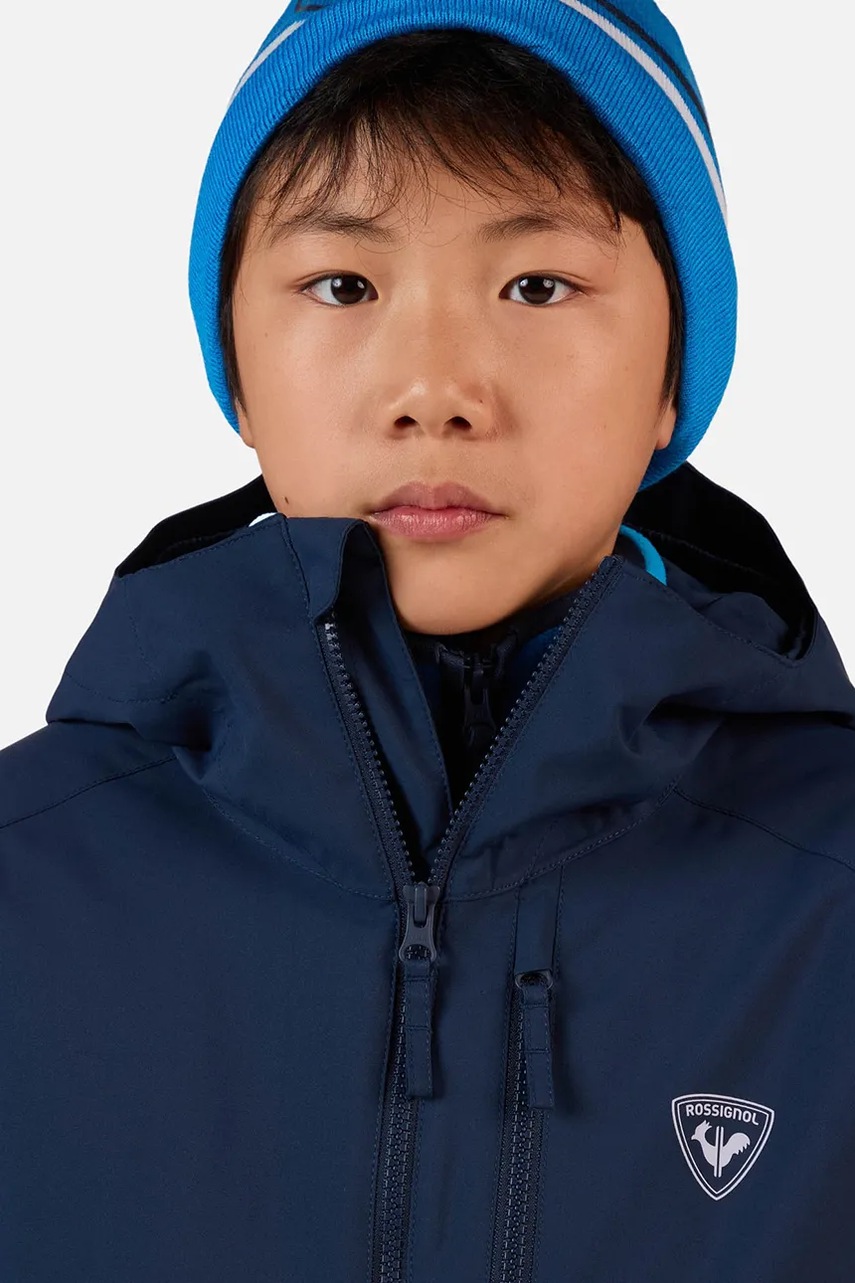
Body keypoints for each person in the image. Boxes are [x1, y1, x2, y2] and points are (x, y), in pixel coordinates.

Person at [2, 2, 854, 1280]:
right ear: (237, 366)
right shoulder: (26, 885)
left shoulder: (830, 901)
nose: (436, 389)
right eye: (343, 284)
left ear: (674, 373)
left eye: (537, 285)